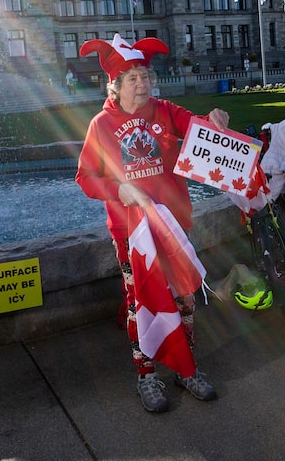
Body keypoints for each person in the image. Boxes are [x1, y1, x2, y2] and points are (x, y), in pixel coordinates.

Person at [76, 34, 230, 413]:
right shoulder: (100, 125)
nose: (142, 84)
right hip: (131, 232)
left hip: (173, 224)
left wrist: (213, 122)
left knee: (184, 299)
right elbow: (85, 177)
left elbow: (197, 128)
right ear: (115, 85)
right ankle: (147, 376)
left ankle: (186, 368)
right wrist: (118, 188)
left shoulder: (165, 110)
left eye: (145, 75)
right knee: (140, 303)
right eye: (132, 78)